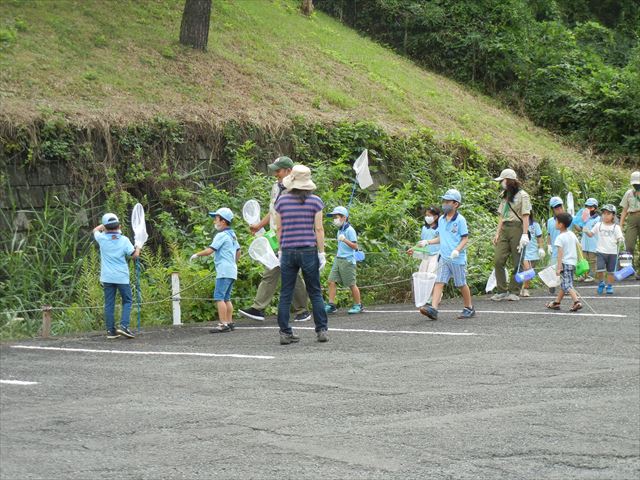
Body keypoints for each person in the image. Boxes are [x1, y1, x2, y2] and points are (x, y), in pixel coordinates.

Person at [239, 156, 311, 322]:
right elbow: (273, 212)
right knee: (271, 270)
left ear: (288, 171)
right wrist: (259, 225)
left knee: (289, 272)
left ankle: (302, 309)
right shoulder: (275, 187)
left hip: (289, 237)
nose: (275, 174)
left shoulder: (296, 190)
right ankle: (259, 308)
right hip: (274, 236)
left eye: (278, 170)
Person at [274, 164, 329, 344]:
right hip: (308, 250)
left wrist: (280, 250)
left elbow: (279, 228)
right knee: (314, 291)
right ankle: (321, 330)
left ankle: (285, 332)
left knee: (286, 293)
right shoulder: (315, 201)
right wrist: (322, 253)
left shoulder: (281, 201)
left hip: (288, 250)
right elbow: (319, 229)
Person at [419, 189, 475, 320]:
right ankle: (434, 309)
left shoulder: (460, 220)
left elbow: (465, 238)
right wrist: (428, 242)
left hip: (456, 258)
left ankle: (469, 307)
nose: (444, 204)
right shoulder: (442, 220)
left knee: (461, 284)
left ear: (456, 204)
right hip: (444, 257)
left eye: (448, 201)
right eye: (444, 201)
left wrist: (457, 250)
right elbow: (441, 238)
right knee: (439, 282)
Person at [190, 208, 241, 333]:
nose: (214, 221)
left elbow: (209, 250)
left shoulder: (221, 235)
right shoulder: (232, 234)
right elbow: (238, 251)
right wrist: (233, 262)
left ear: (223, 221)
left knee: (219, 297)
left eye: (216, 219)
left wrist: (196, 255)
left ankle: (223, 324)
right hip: (232, 270)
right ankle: (229, 322)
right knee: (227, 298)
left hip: (224, 270)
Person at [93, 213, 140, 339]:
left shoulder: (101, 238)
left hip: (107, 277)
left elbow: (95, 230)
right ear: (119, 225)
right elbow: (134, 255)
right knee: (127, 300)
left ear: (105, 227)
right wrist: (139, 247)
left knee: (109, 304)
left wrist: (104, 225)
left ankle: (110, 331)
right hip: (121, 277)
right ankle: (124, 326)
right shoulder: (124, 240)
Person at [491, 168, 532, 302]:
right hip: (505, 228)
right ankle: (501, 290)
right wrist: (497, 233)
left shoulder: (523, 195)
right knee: (498, 260)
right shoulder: (505, 195)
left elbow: (526, 216)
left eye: (503, 180)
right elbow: (501, 216)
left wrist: (525, 234)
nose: (501, 183)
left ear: (509, 181)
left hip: (518, 228)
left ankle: (514, 290)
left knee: (518, 261)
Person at [324, 206, 363, 315]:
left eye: (336, 217)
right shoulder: (340, 230)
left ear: (344, 217)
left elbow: (355, 246)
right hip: (338, 259)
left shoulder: (350, 230)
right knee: (331, 281)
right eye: (334, 217)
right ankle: (331, 305)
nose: (334, 220)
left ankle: (358, 305)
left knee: (351, 284)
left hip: (348, 260)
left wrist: (344, 239)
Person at [545, 212, 582, 312]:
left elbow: (560, 253)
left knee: (567, 284)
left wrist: (558, 267)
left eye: (556, 221)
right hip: (572, 263)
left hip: (565, 263)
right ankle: (556, 302)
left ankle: (576, 301)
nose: (555, 223)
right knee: (564, 284)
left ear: (561, 224)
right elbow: (579, 246)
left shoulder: (559, 238)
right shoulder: (572, 234)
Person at [584, 204, 624, 295]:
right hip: (600, 251)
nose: (605, 215)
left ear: (613, 215)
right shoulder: (599, 225)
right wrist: (586, 230)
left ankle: (609, 286)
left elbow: (619, 238)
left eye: (608, 214)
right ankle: (601, 283)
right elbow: (591, 234)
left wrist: (621, 239)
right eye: (604, 213)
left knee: (610, 272)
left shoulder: (616, 227)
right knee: (600, 269)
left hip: (612, 253)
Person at [546, 196, 572, 294]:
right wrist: (548, 245)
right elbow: (549, 234)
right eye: (556, 208)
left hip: (567, 250)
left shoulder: (570, 218)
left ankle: (565, 288)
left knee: (565, 270)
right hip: (555, 250)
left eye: (560, 207)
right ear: (553, 209)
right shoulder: (550, 221)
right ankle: (552, 286)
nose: (559, 209)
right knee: (553, 269)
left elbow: (577, 228)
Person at [407, 206, 440, 274]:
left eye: (429, 215)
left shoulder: (440, 228)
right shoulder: (424, 228)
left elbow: (441, 240)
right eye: (426, 215)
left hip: (435, 256)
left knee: (431, 274)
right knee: (422, 274)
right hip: (426, 255)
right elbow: (421, 243)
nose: (426, 217)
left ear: (436, 217)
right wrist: (413, 249)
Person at [619, 171, 640, 280]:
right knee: (629, 245)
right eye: (635, 184)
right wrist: (620, 225)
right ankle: (629, 270)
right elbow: (624, 210)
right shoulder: (629, 193)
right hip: (632, 218)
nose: (636, 185)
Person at [520, 214, 546, 297]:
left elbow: (539, 237)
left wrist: (541, 248)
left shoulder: (535, 225)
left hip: (534, 252)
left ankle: (523, 287)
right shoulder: (520, 224)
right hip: (523, 251)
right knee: (527, 269)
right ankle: (525, 289)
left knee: (530, 272)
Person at [575, 198, 600, 282]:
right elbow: (579, 229)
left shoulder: (598, 219)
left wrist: (586, 229)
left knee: (593, 260)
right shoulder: (584, 218)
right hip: (584, 243)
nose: (589, 209)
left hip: (594, 243)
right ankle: (583, 275)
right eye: (587, 207)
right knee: (583, 260)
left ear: (595, 208)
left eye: (591, 207)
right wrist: (574, 222)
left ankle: (592, 275)